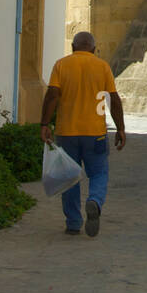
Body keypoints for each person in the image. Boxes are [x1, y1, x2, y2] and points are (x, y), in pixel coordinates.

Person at [40, 31, 126, 236]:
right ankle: (94, 200)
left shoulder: (61, 65)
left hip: (67, 132)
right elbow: (113, 99)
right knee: (99, 173)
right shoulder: (102, 67)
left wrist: (44, 123)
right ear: (94, 49)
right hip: (95, 132)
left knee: (69, 176)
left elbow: (52, 95)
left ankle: (73, 222)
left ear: (72, 47)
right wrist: (120, 128)